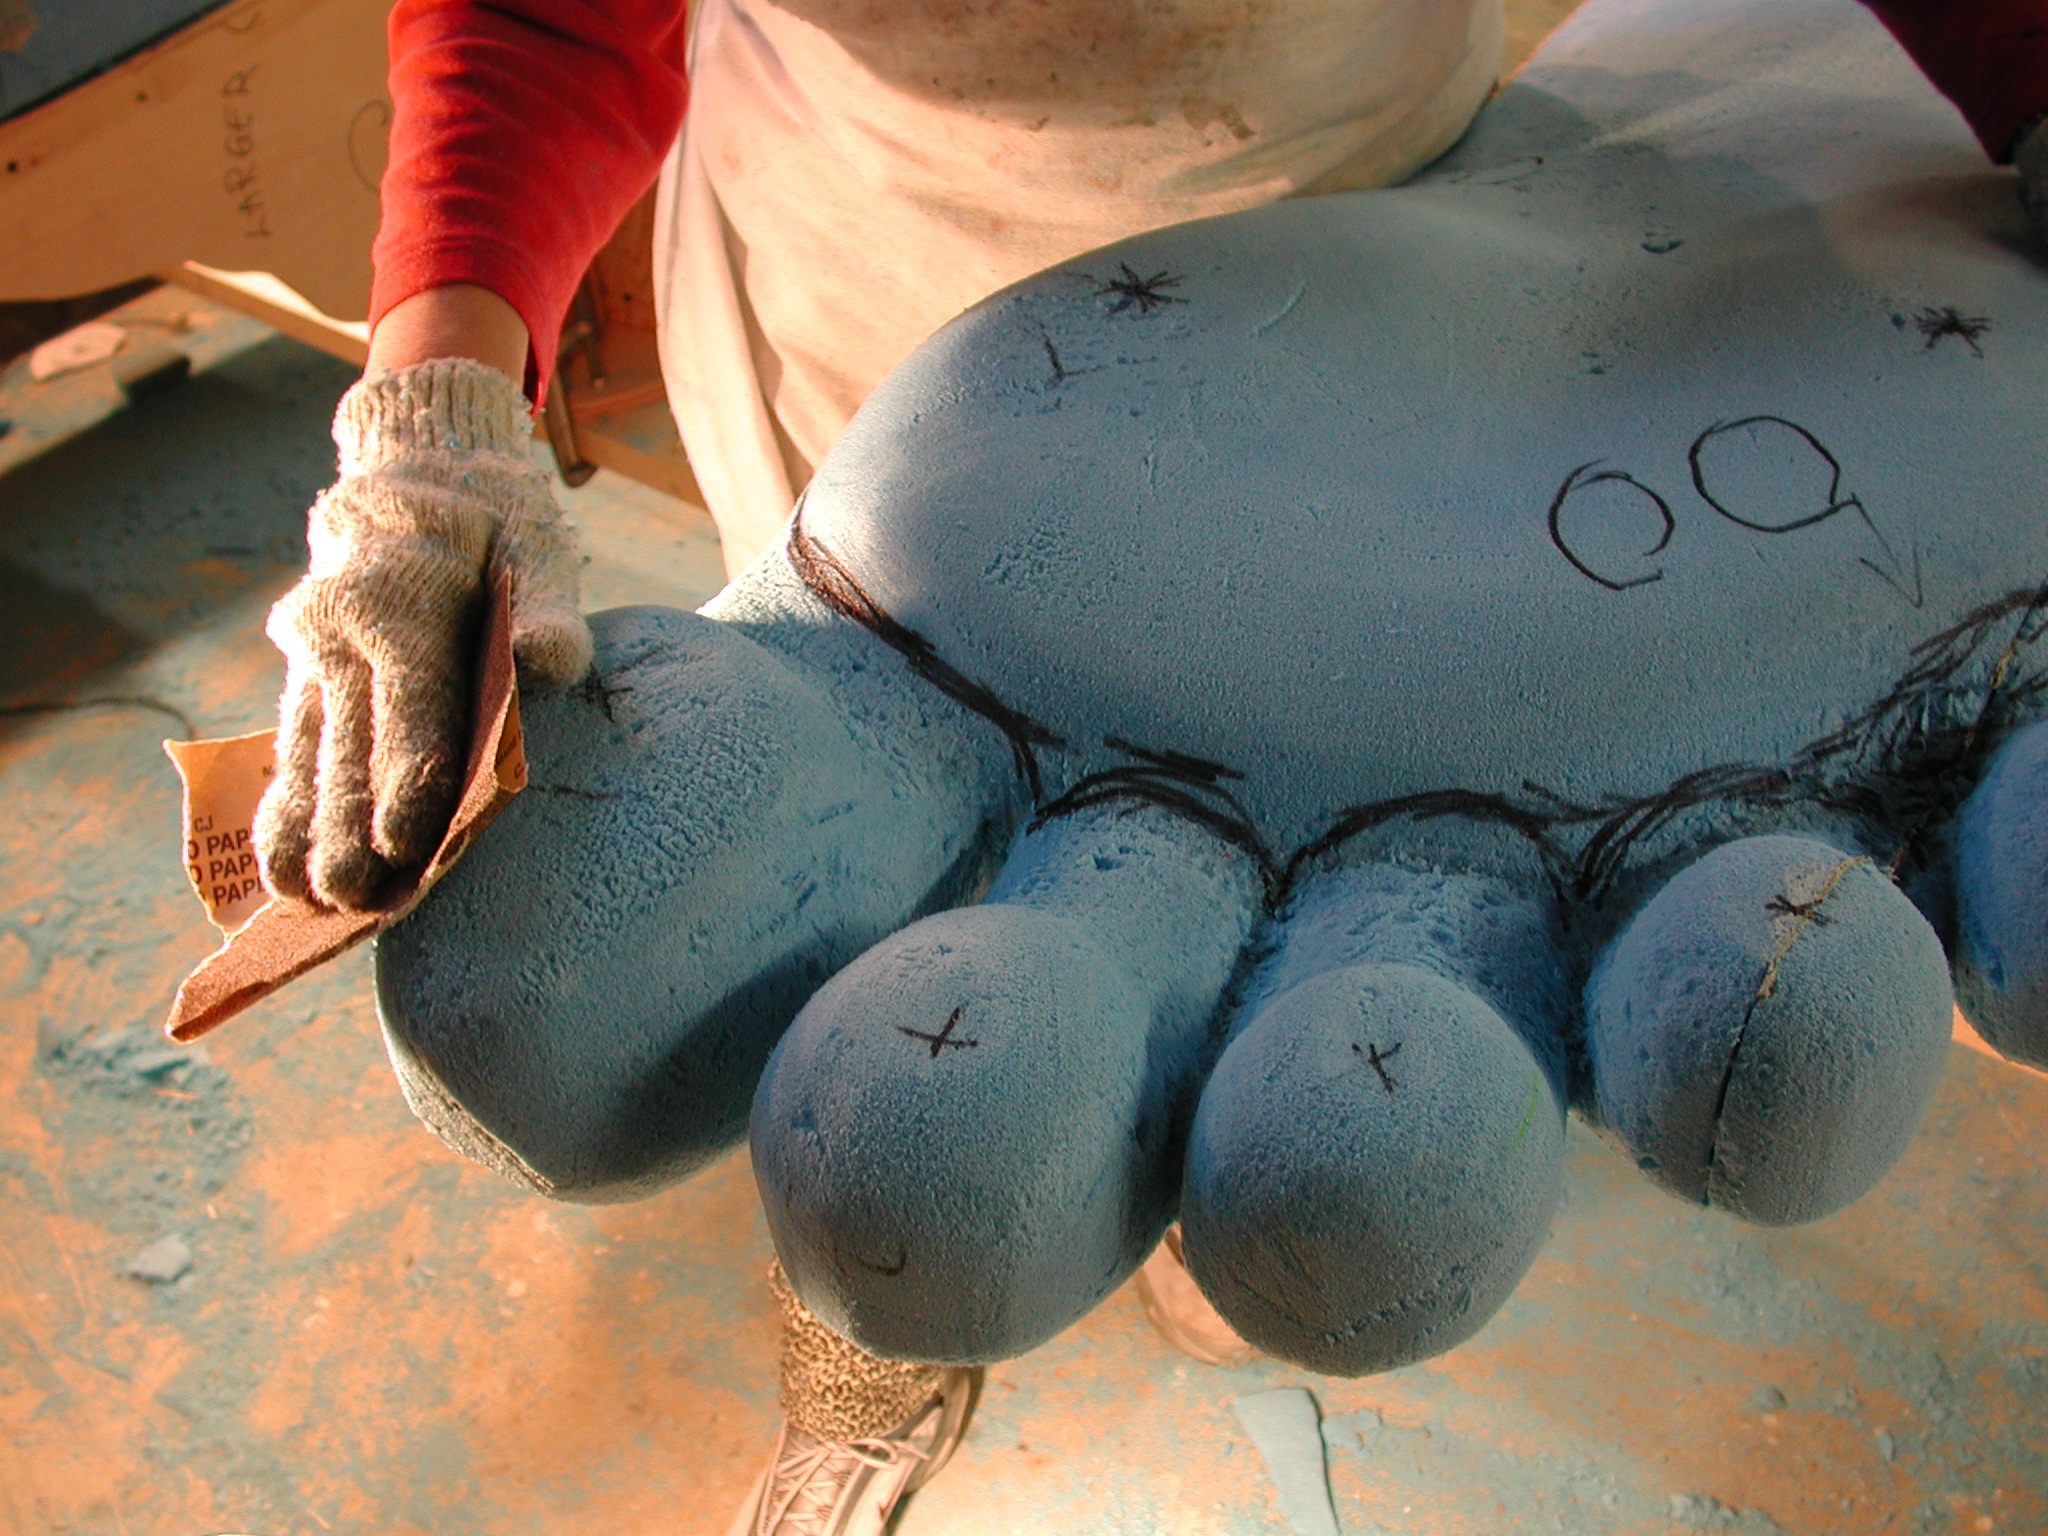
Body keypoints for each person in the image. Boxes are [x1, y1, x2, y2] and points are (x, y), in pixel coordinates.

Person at [251, 1, 2048, 1530]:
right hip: (908, 347)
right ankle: (867, 1345)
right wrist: (435, 411)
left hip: (1403, 266)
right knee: (835, 933)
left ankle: (1134, 1181)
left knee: (1236, 1009)